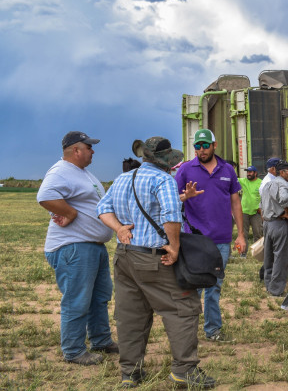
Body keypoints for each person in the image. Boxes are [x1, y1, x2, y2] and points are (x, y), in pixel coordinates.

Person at [97, 136, 215, 389]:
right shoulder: (163, 179)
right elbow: (170, 216)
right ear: (165, 161)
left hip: (125, 256)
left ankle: (130, 372)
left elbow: (102, 208)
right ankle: (184, 371)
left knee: (131, 316)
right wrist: (173, 247)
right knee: (182, 308)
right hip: (153, 257)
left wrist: (119, 228)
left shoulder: (122, 178)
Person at [37, 131, 118, 366]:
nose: (93, 151)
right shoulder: (60, 171)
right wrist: (70, 213)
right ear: (76, 150)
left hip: (92, 246)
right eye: (89, 147)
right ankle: (73, 350)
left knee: (99, 297)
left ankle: (101, 340)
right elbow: (44, 196)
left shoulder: (82, 173)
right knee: (77, 300)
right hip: (74, 247)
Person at [175, 129, 245, 342]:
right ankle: (186, 332)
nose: (201, 150)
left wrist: (240, 234)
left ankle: (213, 330)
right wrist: (184, 197)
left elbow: (235, 202)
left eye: (205, 145)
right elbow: (172, 199)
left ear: (214, 145)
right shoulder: (186, 170)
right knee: (193, 286)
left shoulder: (227, 170)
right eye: (197, 146)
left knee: (214, 287)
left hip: (222, 240)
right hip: (194, 240)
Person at [261, 161, 288, 296]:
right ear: (281, 173)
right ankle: (276, 290)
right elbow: (284, 199)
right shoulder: (282, 184)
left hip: (267, 224)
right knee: (281, 257)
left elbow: (261, 203)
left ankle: (268, 285)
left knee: (268, 256)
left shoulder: (268, 184)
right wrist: (286, 212)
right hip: (279, 223)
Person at [238, 165, 263, 252]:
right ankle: (243, 253)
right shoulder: (243, 181)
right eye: (247, 172)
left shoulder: (261, 183)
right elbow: (232, 178)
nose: (248, 174)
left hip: (256, 212)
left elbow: (264, 197)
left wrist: (261, 209)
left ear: (255, 173)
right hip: (244, 211)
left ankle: (257, 252)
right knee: (243, 234)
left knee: (258, 233)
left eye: (250, 172)